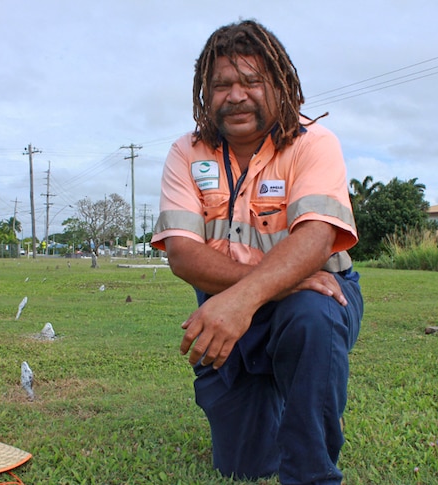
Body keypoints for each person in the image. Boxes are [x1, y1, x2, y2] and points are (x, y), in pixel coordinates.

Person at [150, 19, 364, 485]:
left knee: (312, 313)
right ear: (205, 94)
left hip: (312, 297)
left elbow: (316, 240)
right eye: (222, 84)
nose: (236, 95)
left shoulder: (315, 143)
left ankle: (312, 470)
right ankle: (279, 394)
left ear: (280, 86)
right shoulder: (186, 153)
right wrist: (278, 279)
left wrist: (247, 298)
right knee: (244, 465)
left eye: (251, 81)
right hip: (228, 303)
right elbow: (183, 255)